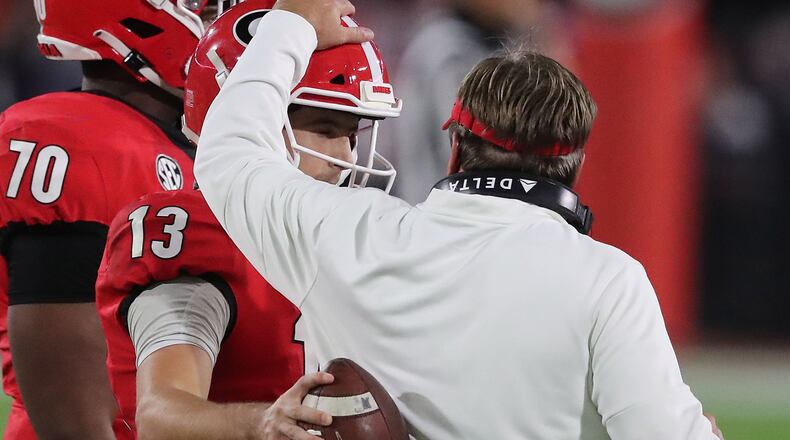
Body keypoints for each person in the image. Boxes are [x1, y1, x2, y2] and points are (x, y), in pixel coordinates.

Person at [194, 0, 724, 439]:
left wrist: (291, 22)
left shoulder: (349, 233)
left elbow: (225, 152)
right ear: (572, 166)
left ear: (456, 147)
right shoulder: (610, 278)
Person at [95, 0, 400, 438]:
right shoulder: (202, 239)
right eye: (326, 128)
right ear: (242, 114)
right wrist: (262, 423)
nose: (346, 158)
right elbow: (161, 415)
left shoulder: (330, 237)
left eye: (352, 133)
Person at [0, 0, 218, 437]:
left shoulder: (189, 147)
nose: (221, 26)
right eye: (207, 10)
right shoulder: (72, 141)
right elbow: (75, 419)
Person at [388, 0, 543, 203]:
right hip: (442, 213)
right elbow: (471, 150)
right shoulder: (449, 50)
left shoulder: (475, 43)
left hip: (452, 211)